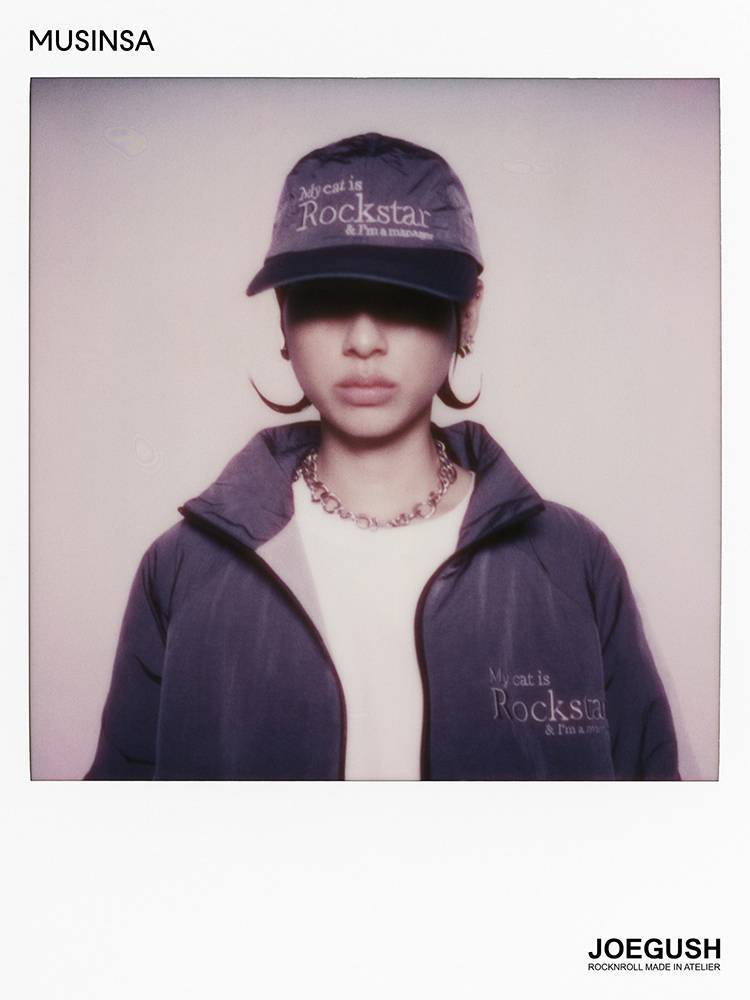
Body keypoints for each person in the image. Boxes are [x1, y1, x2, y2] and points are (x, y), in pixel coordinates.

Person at [86, 132, 679, 781]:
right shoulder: (181, 569)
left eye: (403, 296)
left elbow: (653, 818)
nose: (364, 340)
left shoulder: (573, 561)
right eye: (327, 296)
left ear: (466, 316)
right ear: (284, 317)